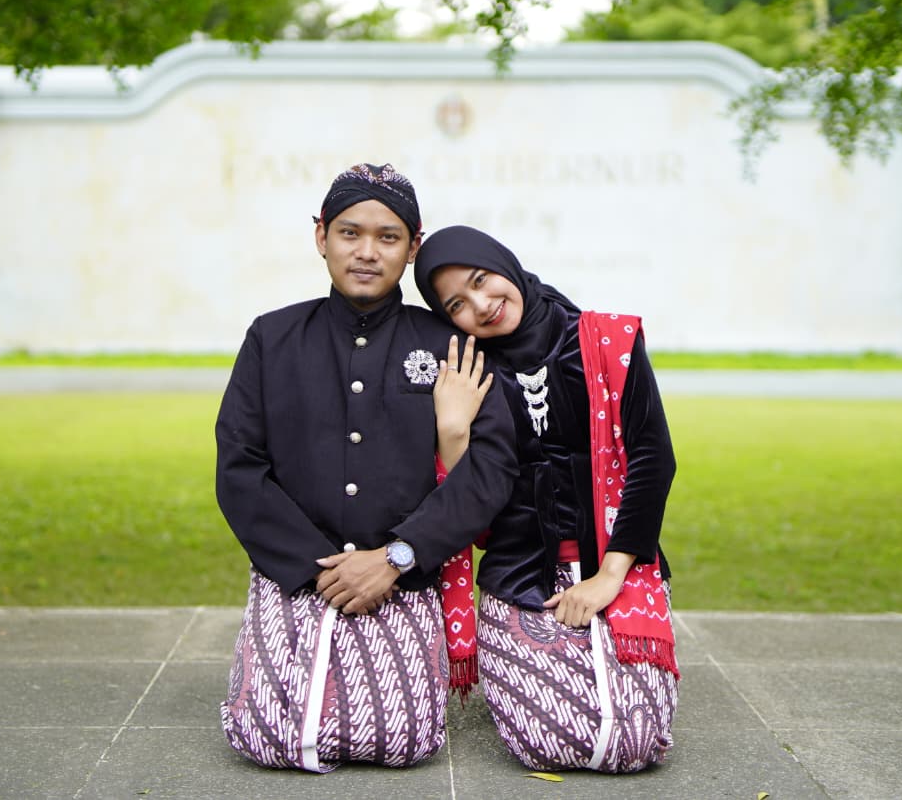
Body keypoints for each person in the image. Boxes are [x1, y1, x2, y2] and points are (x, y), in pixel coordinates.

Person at [214, 166, 517, 773]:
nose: (367, 252)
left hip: (403, 577)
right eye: (350, 233)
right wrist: (318, 570)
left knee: (402, 740)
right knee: (267, 735)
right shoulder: (273, 338)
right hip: (293, 576)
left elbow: (491, 468)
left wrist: (396, 558)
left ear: (413, 247)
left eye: (388, 237)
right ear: (321, 236)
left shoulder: (449, 345)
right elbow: (240, 469)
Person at [413, 225, 680, 773]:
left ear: (505, 264)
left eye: (481, 280)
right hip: (517, 575)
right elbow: (474, 512)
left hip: (618, 563)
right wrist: (453, 432)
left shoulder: (608, 340)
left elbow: (653, 460)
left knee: (634, 738)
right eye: (457, 304)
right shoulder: (470, 375)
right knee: (547, 738)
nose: (481, 306)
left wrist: (609, 577)